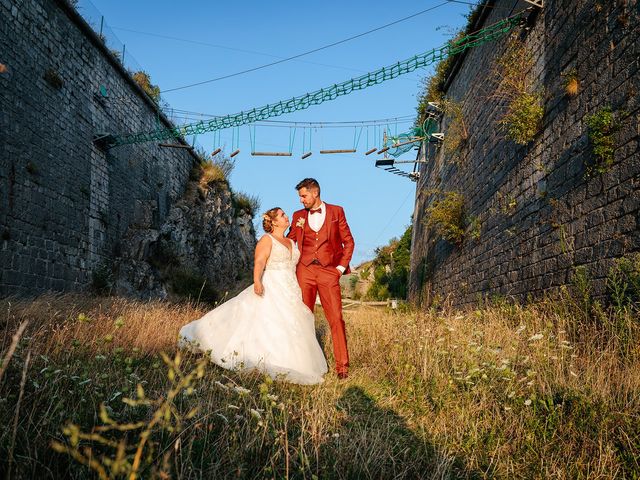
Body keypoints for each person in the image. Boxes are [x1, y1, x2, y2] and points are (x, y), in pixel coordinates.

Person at [178, 207, 328, 385]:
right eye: (282, 215)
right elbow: (259, 261)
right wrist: (257, 281)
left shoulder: (290, 241)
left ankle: (296, 362)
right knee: (271, 320)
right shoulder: (267, 239)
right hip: (272, 283)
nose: (286, 217)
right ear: (273, 222)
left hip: (290, 287)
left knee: (292, 322)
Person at [287, 178, 355, 379]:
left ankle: (342, 368)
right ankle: (304, 364)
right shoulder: (297, 215)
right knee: (304, 318)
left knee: (336, 319)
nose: (301, 200)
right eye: (300, 196)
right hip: (304, 271)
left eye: (303, 195)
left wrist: (340, 269)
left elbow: (348, 242)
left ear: (315, 193)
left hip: (329, 272)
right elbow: (290, 241)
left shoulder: (337, 212)